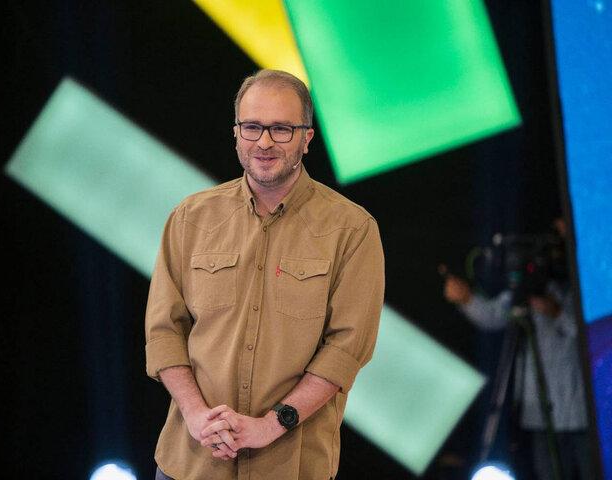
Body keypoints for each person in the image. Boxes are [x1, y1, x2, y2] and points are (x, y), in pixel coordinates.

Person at [144, 69, 385, 480]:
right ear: (236, 133)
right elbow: (164, 332)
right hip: (190, 461)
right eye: (252, 127)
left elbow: (345, 350)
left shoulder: (352, 229)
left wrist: (269, 426)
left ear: (307, 138)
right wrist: (197, 415)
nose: (265, 142)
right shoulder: (190, 218)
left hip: (292, 467)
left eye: (281, 129)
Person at [442, 220, 592, 480]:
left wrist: (556, 311)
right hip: (542, 416)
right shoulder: (522, 293)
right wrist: (467, 299)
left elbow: (587, 333)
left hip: (581, 413)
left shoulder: (577, 289)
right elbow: (493, 315)